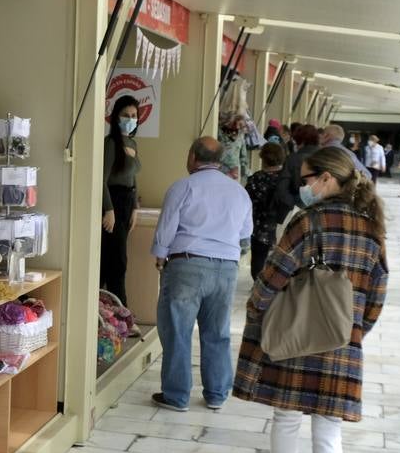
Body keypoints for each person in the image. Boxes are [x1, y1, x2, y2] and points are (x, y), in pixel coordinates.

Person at [234, 147, 389, 453]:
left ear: (326, 179)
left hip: (297, 334)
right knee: (328, 432)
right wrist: (354, 330)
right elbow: (377, 293)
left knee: (285, 415)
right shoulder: (373, 228)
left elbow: (274, 274)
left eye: (306, 179)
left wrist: (256, 311)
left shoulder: (310, 222)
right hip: (341, 340)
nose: (302, 186)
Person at [150, 137, 253, 412]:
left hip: (187, 265)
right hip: (227, 269)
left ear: (192, 156)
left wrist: (160, 257)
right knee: (217, 332)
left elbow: (167, 228)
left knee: (177, 331)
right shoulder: (238, 192)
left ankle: (177, 395)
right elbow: (245, 233)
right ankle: (217, 394)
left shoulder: (183, 187)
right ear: (219, 160)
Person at [101, 96, 143, 306]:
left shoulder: (133, 143)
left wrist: (135, 208)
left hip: (127, 204)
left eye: (134, 116)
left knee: (116, 259)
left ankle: (111, 311)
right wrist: (109, 210)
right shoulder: (110, 144)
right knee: (116, 261)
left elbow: (133, 178)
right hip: (113, 202)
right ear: (116, 116)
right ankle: (122, 312)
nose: (130, 119)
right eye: (126, 115)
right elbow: (102, 179)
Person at [245, 142, 286, 280]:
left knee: (258, 260)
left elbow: (246, 201)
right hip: (282, 226)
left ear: (263, 159)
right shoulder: (286, 179)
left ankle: (258, 288)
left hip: (259, 228)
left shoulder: (256, 179)